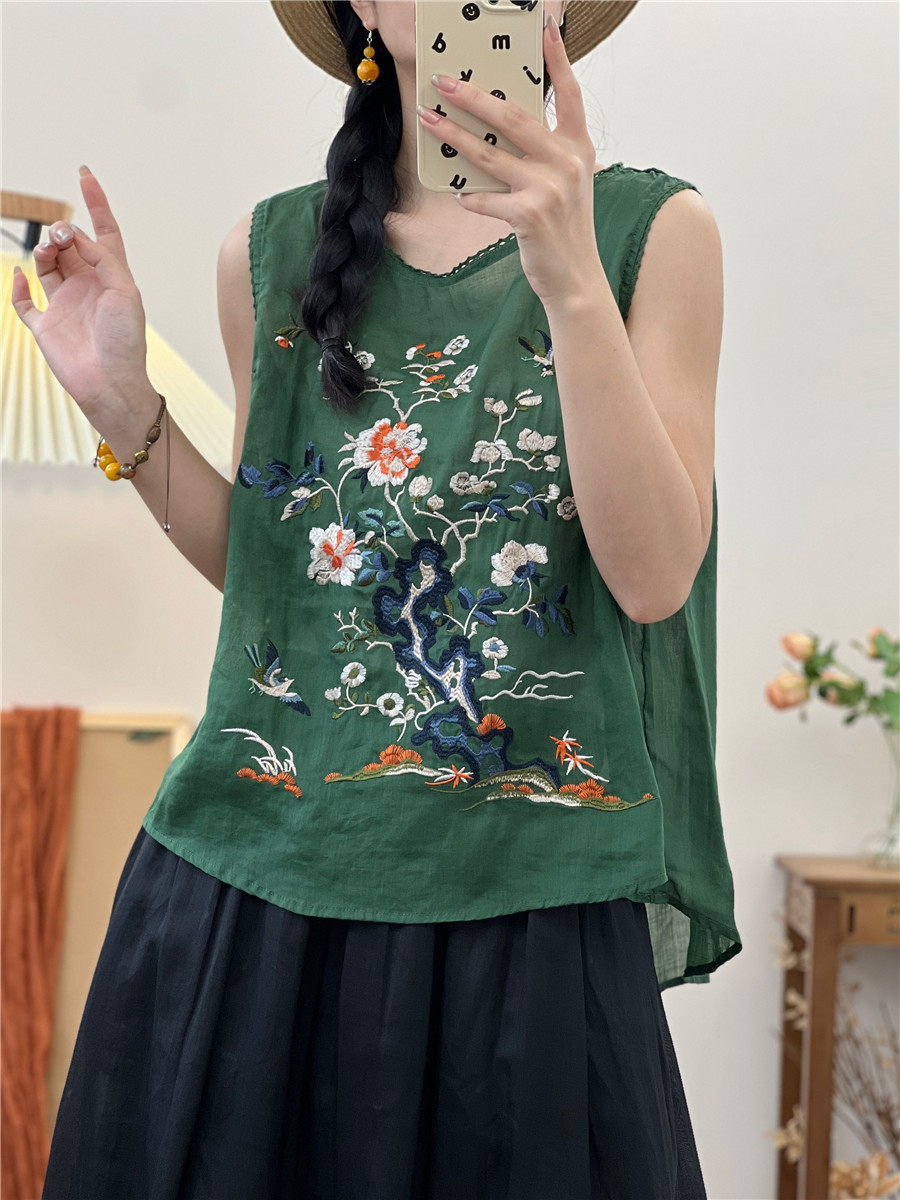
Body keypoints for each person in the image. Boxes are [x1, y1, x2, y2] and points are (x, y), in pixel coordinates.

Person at [12, 1, 741, 1196]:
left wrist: (569, 281)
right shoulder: (267, 252)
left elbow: (655, 576)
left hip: (529, 901)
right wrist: (125, 410)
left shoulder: (655, 233)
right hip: (258, 891)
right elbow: (280, 573)